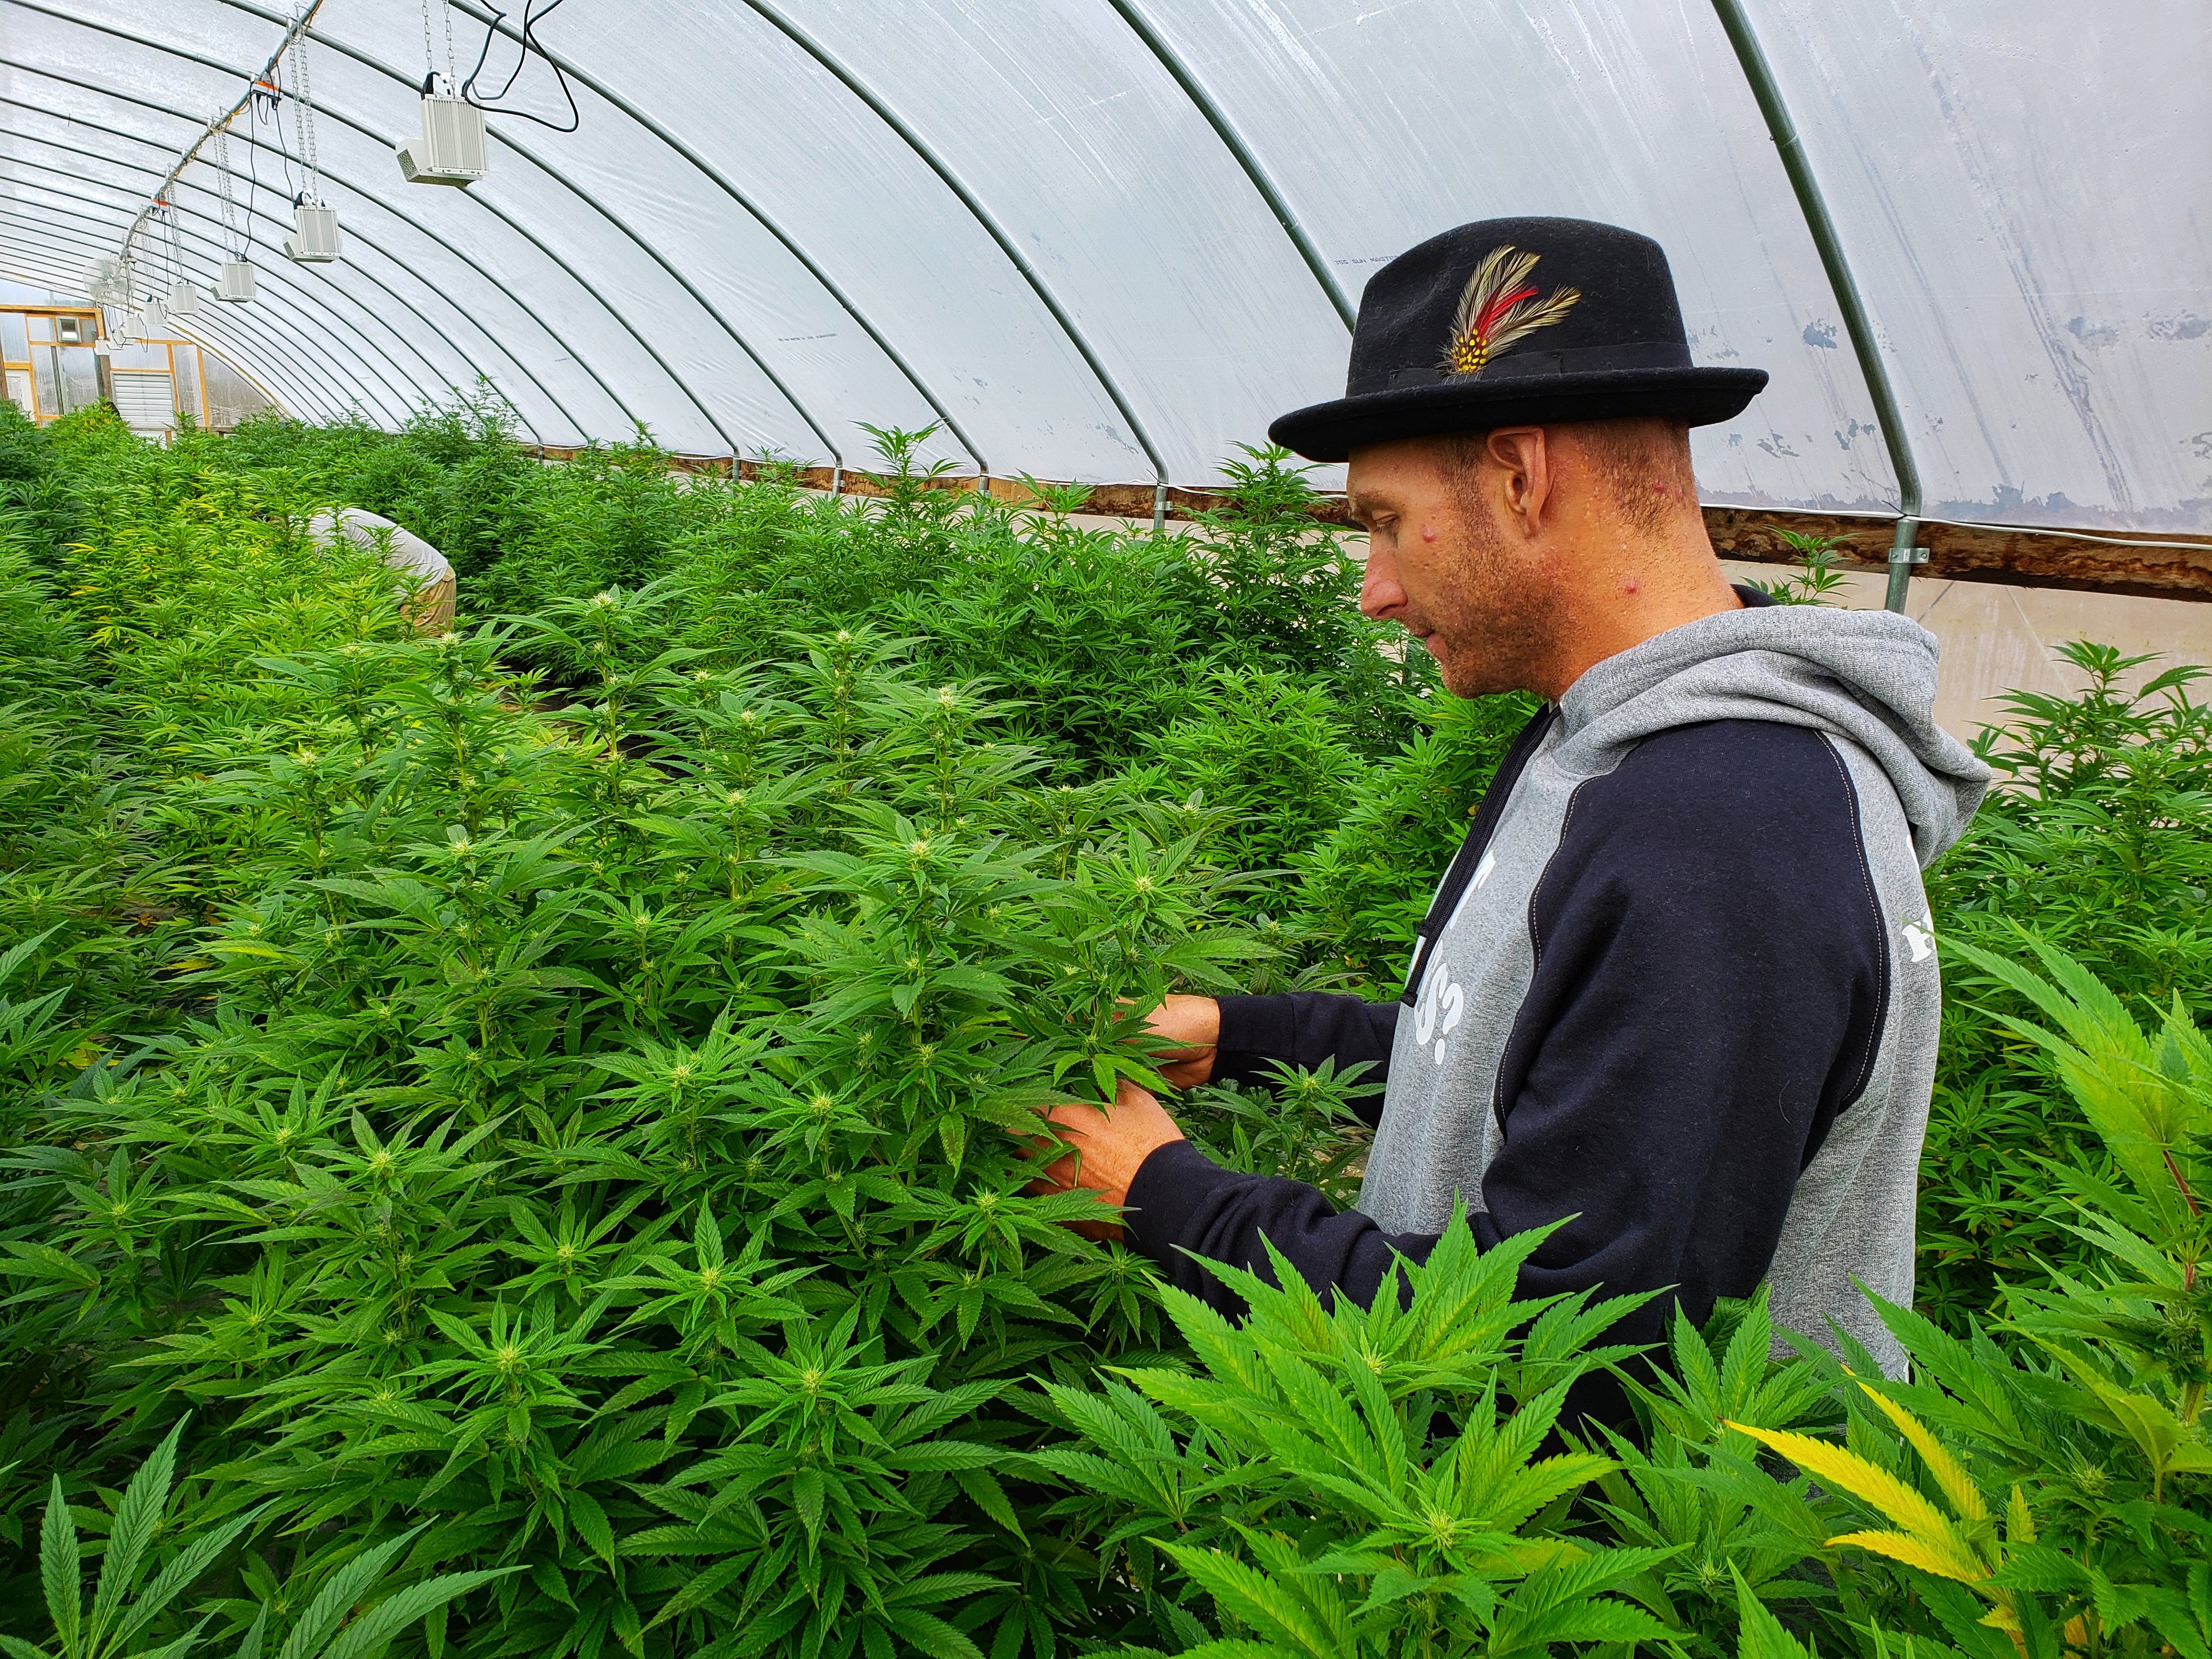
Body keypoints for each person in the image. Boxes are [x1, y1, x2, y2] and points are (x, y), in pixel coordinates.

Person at [1032, 217, 1990, 1410]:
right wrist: (1245, 1032)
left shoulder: (1722, 832)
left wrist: (1168, 1197)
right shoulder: (1606, 744)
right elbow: (1523, 1070)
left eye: (1383, 521)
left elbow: (1569, 1344)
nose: (1376, 591)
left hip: (1635, 1579)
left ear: (1522, 474)